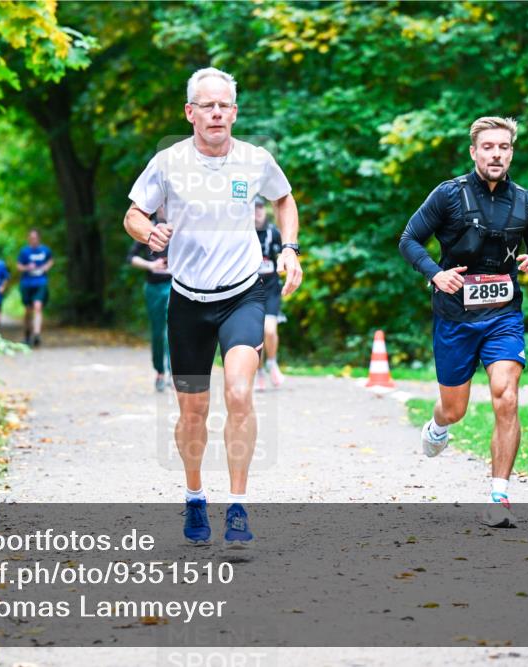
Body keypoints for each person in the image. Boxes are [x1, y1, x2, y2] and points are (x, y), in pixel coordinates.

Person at [123, 67, 303, 545]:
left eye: (224, 105)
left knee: (240, 393)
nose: (217, 112)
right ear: (190, 113)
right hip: (188, 301)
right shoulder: (168, 163)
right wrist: (148, 232)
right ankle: (195, 495)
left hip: (244, 293)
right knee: (193, 411)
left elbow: (285, 200)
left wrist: (289, 249)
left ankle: (239, 507)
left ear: (235, 113)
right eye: (208, 105)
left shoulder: (255, 159)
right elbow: (133, 213)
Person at [399, 116, 528, 528]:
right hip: (455, 316)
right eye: (488, 147)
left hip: (503, 315)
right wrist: (435, 273)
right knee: (455, 409)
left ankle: (499, 495)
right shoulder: (448, 195)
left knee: (507, 395)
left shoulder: (527, 202)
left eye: (503, 147)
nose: (496, 154)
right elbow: (408, 239)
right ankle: (437, 425)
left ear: (511, 152)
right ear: (474, 151)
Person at [127, 207, 173, 392]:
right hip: (153, 287)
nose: (163, 206)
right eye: (160, 203)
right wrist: (151, 265)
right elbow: (131, 257)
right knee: (157, 332)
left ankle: (173, 372)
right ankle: (159, 371)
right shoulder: (148, 228)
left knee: (172, 330)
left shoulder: (177, 227)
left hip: (174, 285)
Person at [253, 196, 285, 391]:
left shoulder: (273, 232)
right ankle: (259, 373)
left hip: (272, 288)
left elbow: (289, 249)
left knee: (270, 330)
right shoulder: (244, 233)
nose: (257, 213)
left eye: (260, 208)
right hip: (250, 290)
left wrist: (285, 259)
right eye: (253, 209)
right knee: (255, 335)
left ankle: (272, 362)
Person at [17, 229, 54, 347]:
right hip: (27, 283)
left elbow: (51, 260)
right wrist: (27, 267)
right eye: (31, 238)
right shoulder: (24, 252)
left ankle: (37, 334)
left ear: (39, 238)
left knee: (38, 307)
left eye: (35, 238)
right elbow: (19, 266)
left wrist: (46, 267)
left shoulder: (45, 250)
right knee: (28, 310)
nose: (33, 240)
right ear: (28, 239)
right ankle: (27, 334)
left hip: (40, 282)